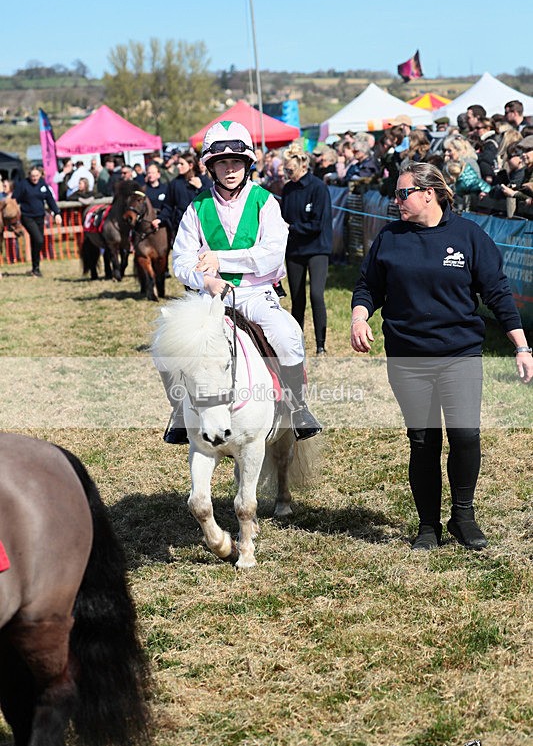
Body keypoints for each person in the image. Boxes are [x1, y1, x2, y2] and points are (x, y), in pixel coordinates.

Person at [350, 162, 532, 552]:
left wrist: (521, 345)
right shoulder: (390, 238)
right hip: (408, 357)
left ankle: (463, 517)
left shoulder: (468, 236)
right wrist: (358, 315)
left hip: (460, 354)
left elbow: (497, 292)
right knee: (424, 441)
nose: (396, 200)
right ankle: (428, 526)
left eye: (403, 193)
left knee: (466, 436)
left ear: (428, 193)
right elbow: (368, 286)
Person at [161, 120, 322, 444]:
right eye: (223, 163)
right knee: (164, 344)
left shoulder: (267, 202)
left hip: (254, 293)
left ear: (247, 164)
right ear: (212, 168)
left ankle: (298, 407)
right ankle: (180, 409)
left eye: (236, 162)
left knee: (288, 334)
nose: (230, 169)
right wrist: (204, 280)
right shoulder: (197, 207)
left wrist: (220, 259)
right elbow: (181, 259)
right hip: (210, 296)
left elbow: (273, 255)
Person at [281, 143, 333, 355]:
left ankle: (321, 345)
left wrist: (292, 227)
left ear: (302, 165)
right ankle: (296, 342)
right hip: (294, 250)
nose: (287, 173)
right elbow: (283, 217)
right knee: (297, 298)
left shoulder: (318, 187)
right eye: (285, 169)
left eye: (290, 169)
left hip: (317, 248)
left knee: (316, 295)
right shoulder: (288, 189)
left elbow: (317, 224)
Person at [13, 166, 62, 277]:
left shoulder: (43, 184)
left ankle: (36, 268)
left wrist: (57, 213)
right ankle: (35, 267)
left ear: (40, 175)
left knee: (37, 242)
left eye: (37, 176)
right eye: (32, 176)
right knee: (39, 240)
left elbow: (50, 199)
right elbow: (14, 199)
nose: (34, 178)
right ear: (29, 175)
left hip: (40, 216)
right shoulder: (23, 185)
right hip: (27, 216)